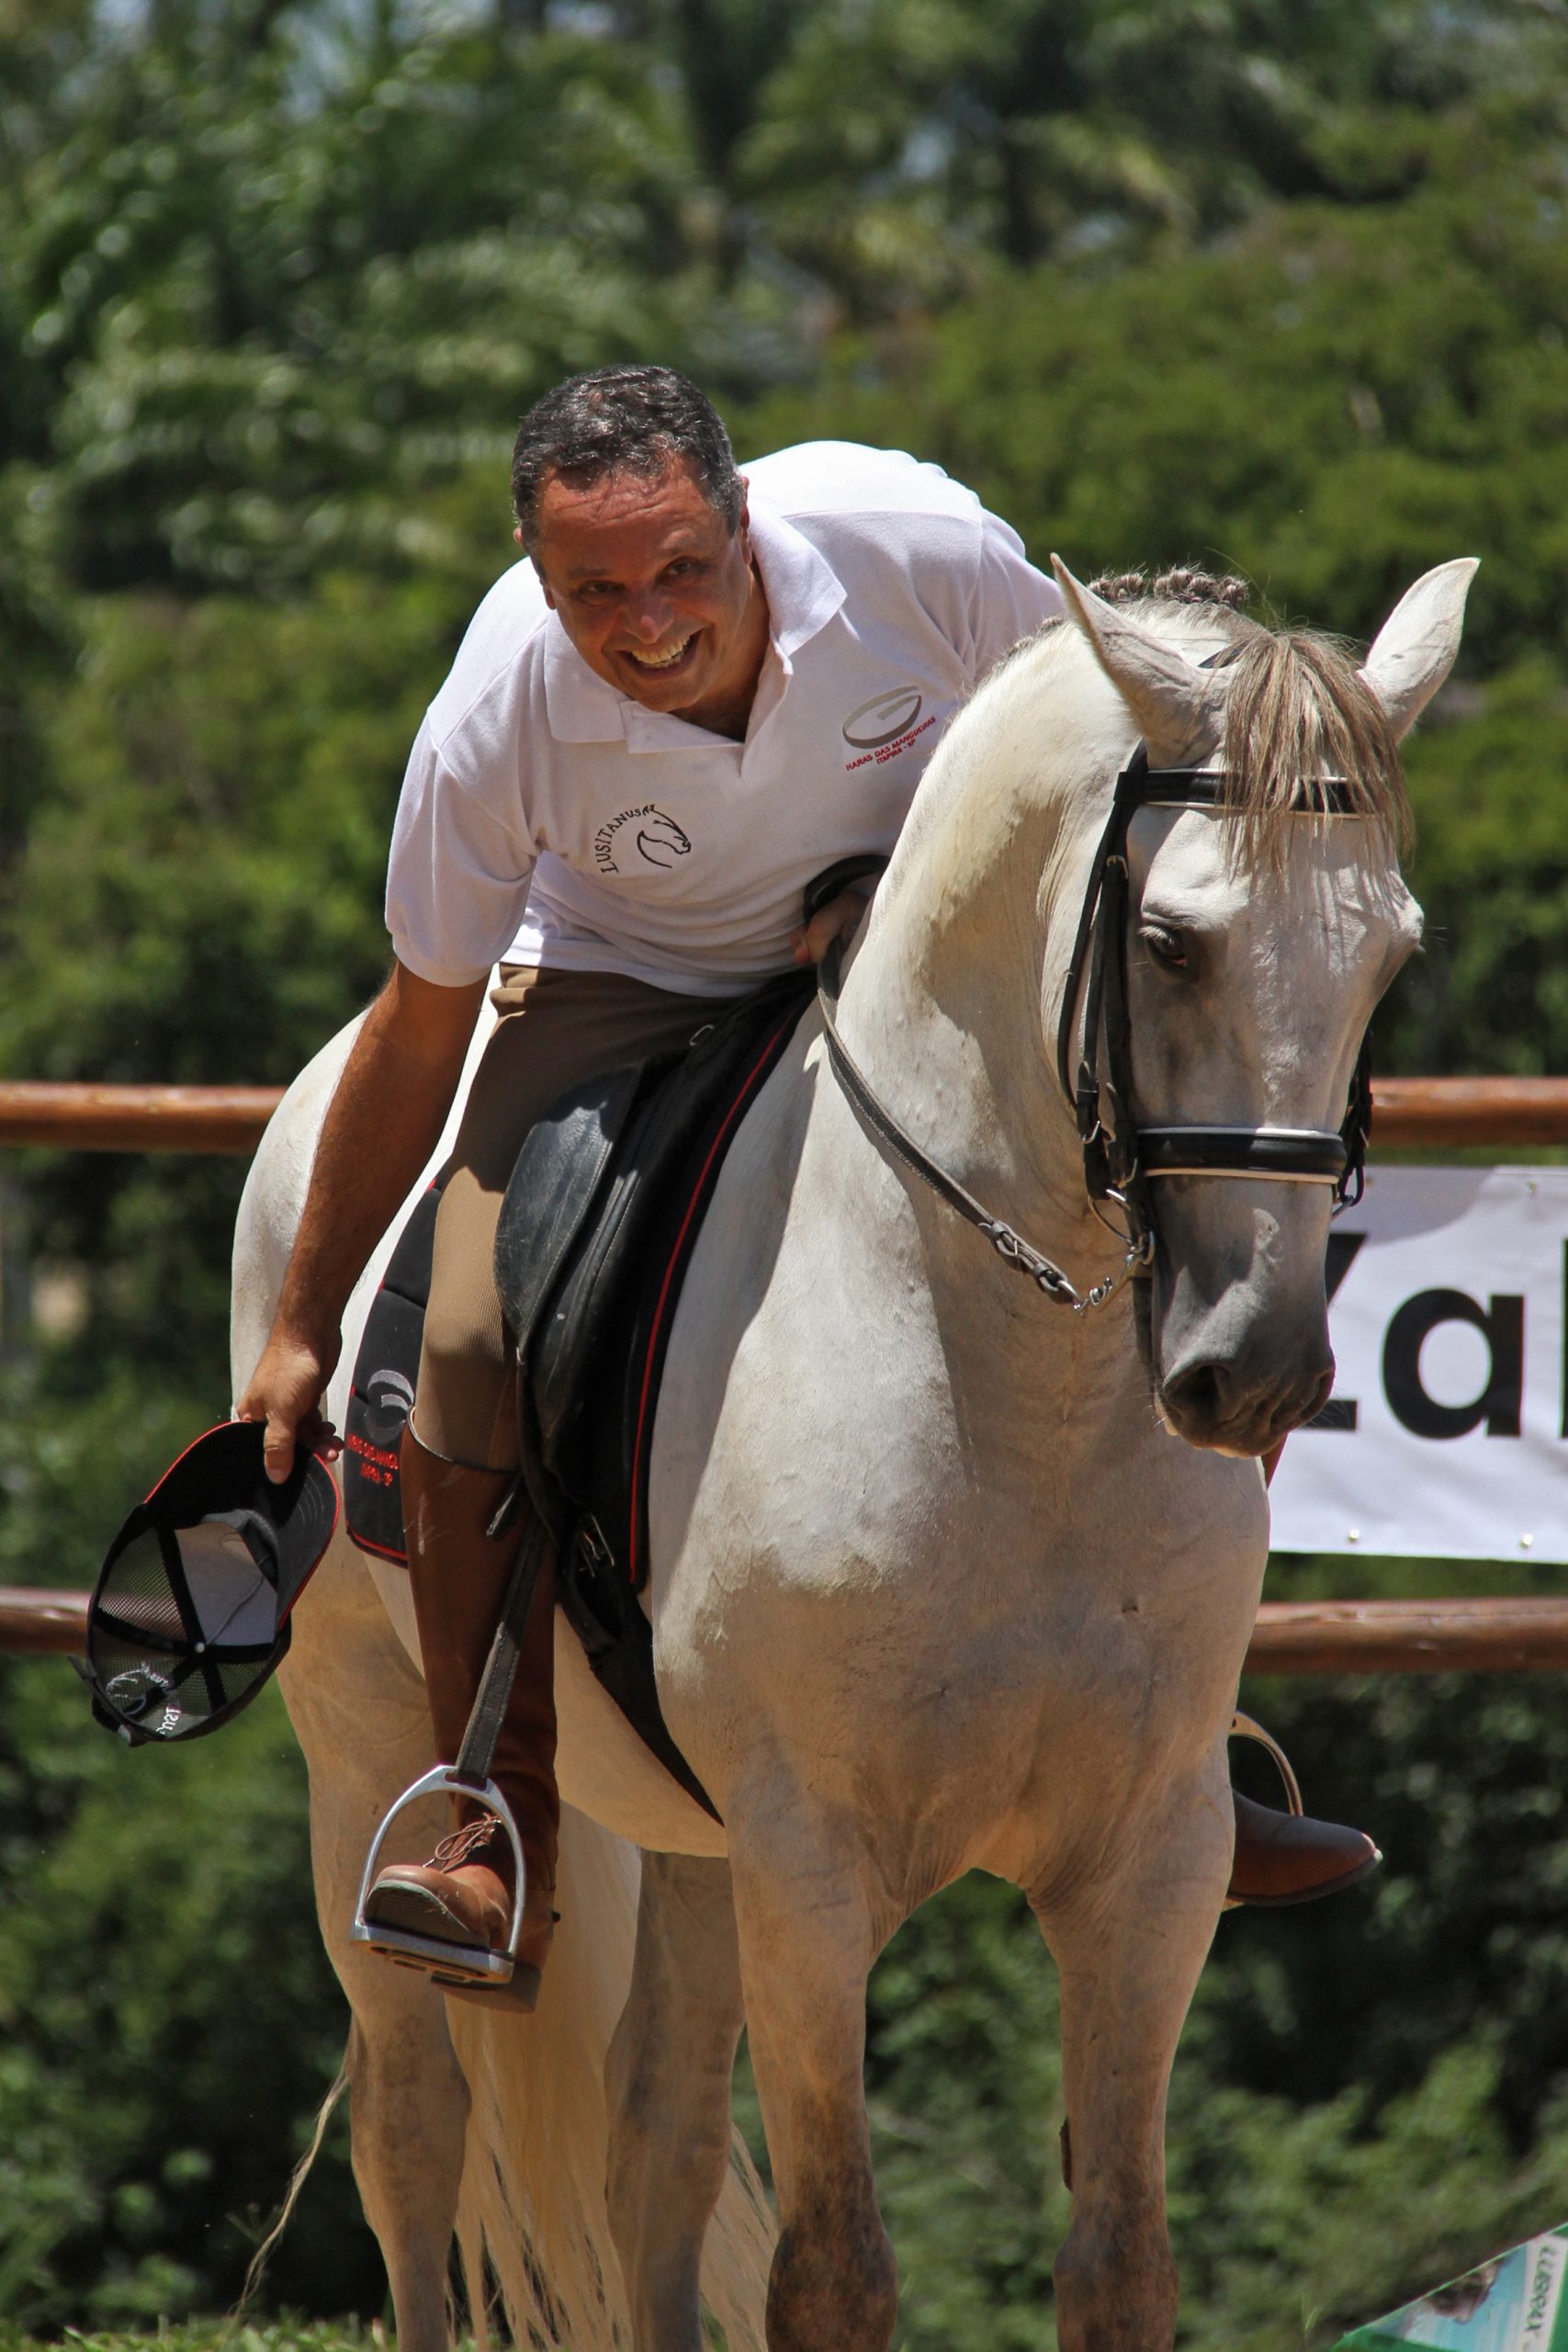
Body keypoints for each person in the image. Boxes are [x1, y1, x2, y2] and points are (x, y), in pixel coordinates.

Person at [238, 366, 1376, 2000]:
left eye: (680, 569)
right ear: (535, 579)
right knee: (470, 1336)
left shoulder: (920, 547)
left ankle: (1187, 1758)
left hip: (894, 955)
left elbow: (1086, 766)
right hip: (615, 977)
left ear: (743, 518)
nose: (647, 626)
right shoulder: (495, 715)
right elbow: (421, 1031)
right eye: (595, 594)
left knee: (1176, 1237)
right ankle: (491, 1812)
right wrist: (299, 1324)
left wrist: (895, 897)